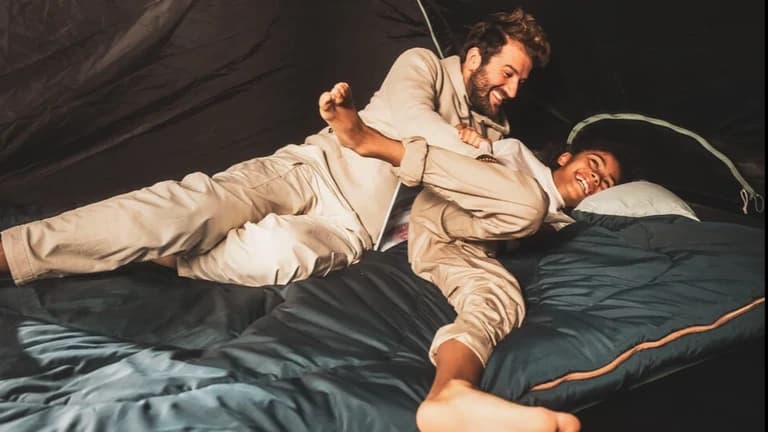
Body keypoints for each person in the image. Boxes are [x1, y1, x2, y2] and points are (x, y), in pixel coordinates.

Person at [0, 8, 550, 287]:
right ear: (474, 58)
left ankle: (164, 255)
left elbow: (510, 203)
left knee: (278, 257)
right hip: (314, 170)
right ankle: (16, 250)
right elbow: (411, 120)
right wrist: (475, 157)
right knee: (194, 207)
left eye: (521, 82)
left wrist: (487, 153)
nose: (511, 90)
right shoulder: (424, 64)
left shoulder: (496, 135)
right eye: (507, 73)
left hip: (351, 232)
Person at [318, 82, 628, 432]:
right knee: (529, 205)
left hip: (455, 247)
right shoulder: (516, 153)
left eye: (606, 182)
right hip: (445, 210)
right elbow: (472, 166)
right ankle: (373, 142)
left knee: (503, 299)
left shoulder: (564, 223)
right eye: (594, 163)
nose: (596, 177)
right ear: (566, 158)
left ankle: (450, 393)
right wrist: (480, 149)